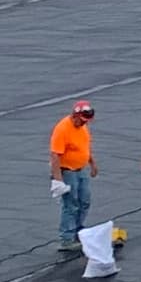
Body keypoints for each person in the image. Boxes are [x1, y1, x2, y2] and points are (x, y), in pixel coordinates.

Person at [47, 98, 95, 246]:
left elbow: (85, 147)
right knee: (71, 204)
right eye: (82, 121)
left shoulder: (83, 127)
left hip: (81, 169)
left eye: (86, 121)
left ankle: (78, 230)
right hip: (67, 172)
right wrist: (58, 180)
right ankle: (67, 238)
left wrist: (93, 164)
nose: (84, 123)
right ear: (75, 115)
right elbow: (55, 155)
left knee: (84, 201)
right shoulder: (62, 129)